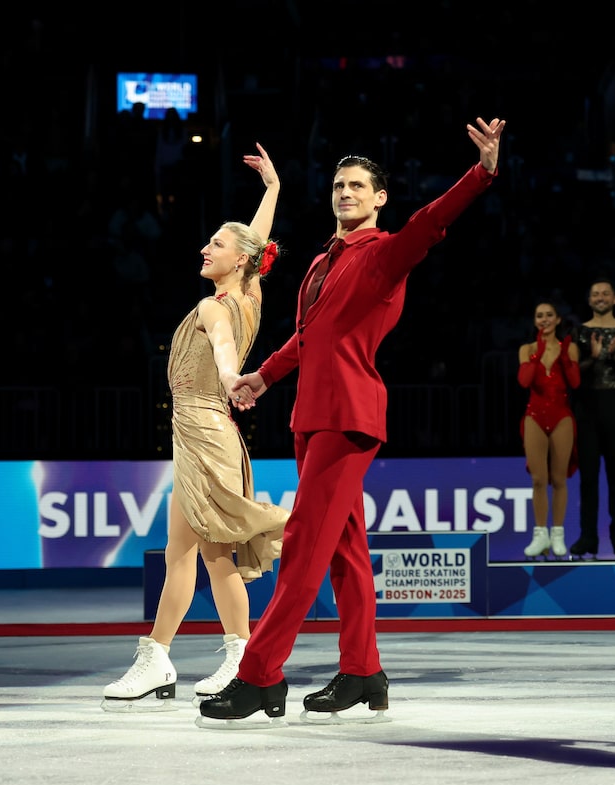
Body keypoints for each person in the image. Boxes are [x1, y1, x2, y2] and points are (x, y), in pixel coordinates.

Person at [198, 116, 506, 724]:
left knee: (305, 545)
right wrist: (266, 375)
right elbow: (310, 336)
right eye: (340, 186)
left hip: (348, 416)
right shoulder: (319, 263)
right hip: (310, 416)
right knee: (345, 550)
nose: (346, 194)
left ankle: (260, 675)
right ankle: (363, 671)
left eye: (359, 187)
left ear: (379, 198)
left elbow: (431, 222)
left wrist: (483, 172)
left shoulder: (384, 254)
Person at [102, 144, 290, 711]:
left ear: (238, 260)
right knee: (182, 554)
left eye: (216, 244)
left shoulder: (216, 308)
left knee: (211, 553)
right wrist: (273, 190)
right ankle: (163, 657)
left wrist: (234, 377)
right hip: (203, 435)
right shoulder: (249, 293)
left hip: (207, 433)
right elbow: (255, 243)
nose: (205, 249)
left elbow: (227, 354)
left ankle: (236, 657)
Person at [570, 277, 615, 560]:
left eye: (605, 293)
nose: (600, 297)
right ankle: (588, 537)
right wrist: (596, 357)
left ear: (614, 299)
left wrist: (614, 356)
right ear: (589, 300)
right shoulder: (578, 332)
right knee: (588, 477)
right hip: (586, 405)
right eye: (595, 293)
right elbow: (573, 374)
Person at [518, 301, 580, 559]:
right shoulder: (527, 349)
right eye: (539, 315)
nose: (544, 319)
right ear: (535, 321)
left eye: (549, 315)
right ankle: (539, 533)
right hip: (534, 415)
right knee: (538, 479)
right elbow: (524, 382)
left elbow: (575, 383)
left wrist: (564, 358)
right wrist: (538, 352)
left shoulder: (571, 348)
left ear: (557, 320)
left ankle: (558, 534)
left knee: (558, 479)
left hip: (561, 416)